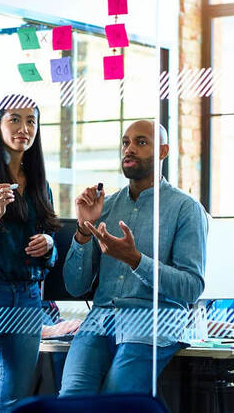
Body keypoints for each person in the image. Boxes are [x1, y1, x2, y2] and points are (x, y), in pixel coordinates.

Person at [59, 120, 208, 395]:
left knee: (115, 401)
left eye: (141, 142)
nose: (129, 149)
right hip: (101, 320)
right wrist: (82, 230)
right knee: (71, 400)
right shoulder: (106, 207)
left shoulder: (186, 209)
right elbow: (75, 286)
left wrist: (136, 260)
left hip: (152, 319)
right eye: (125, 142)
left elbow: (191, 288)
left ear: (163, 151)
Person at [0, 94, 61, 413]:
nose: (24, 128)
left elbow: (52, 252)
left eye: (31, 120)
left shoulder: (40, 184)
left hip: (29, 297)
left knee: (17, 402)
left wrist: (48, 243)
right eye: (14, 119)